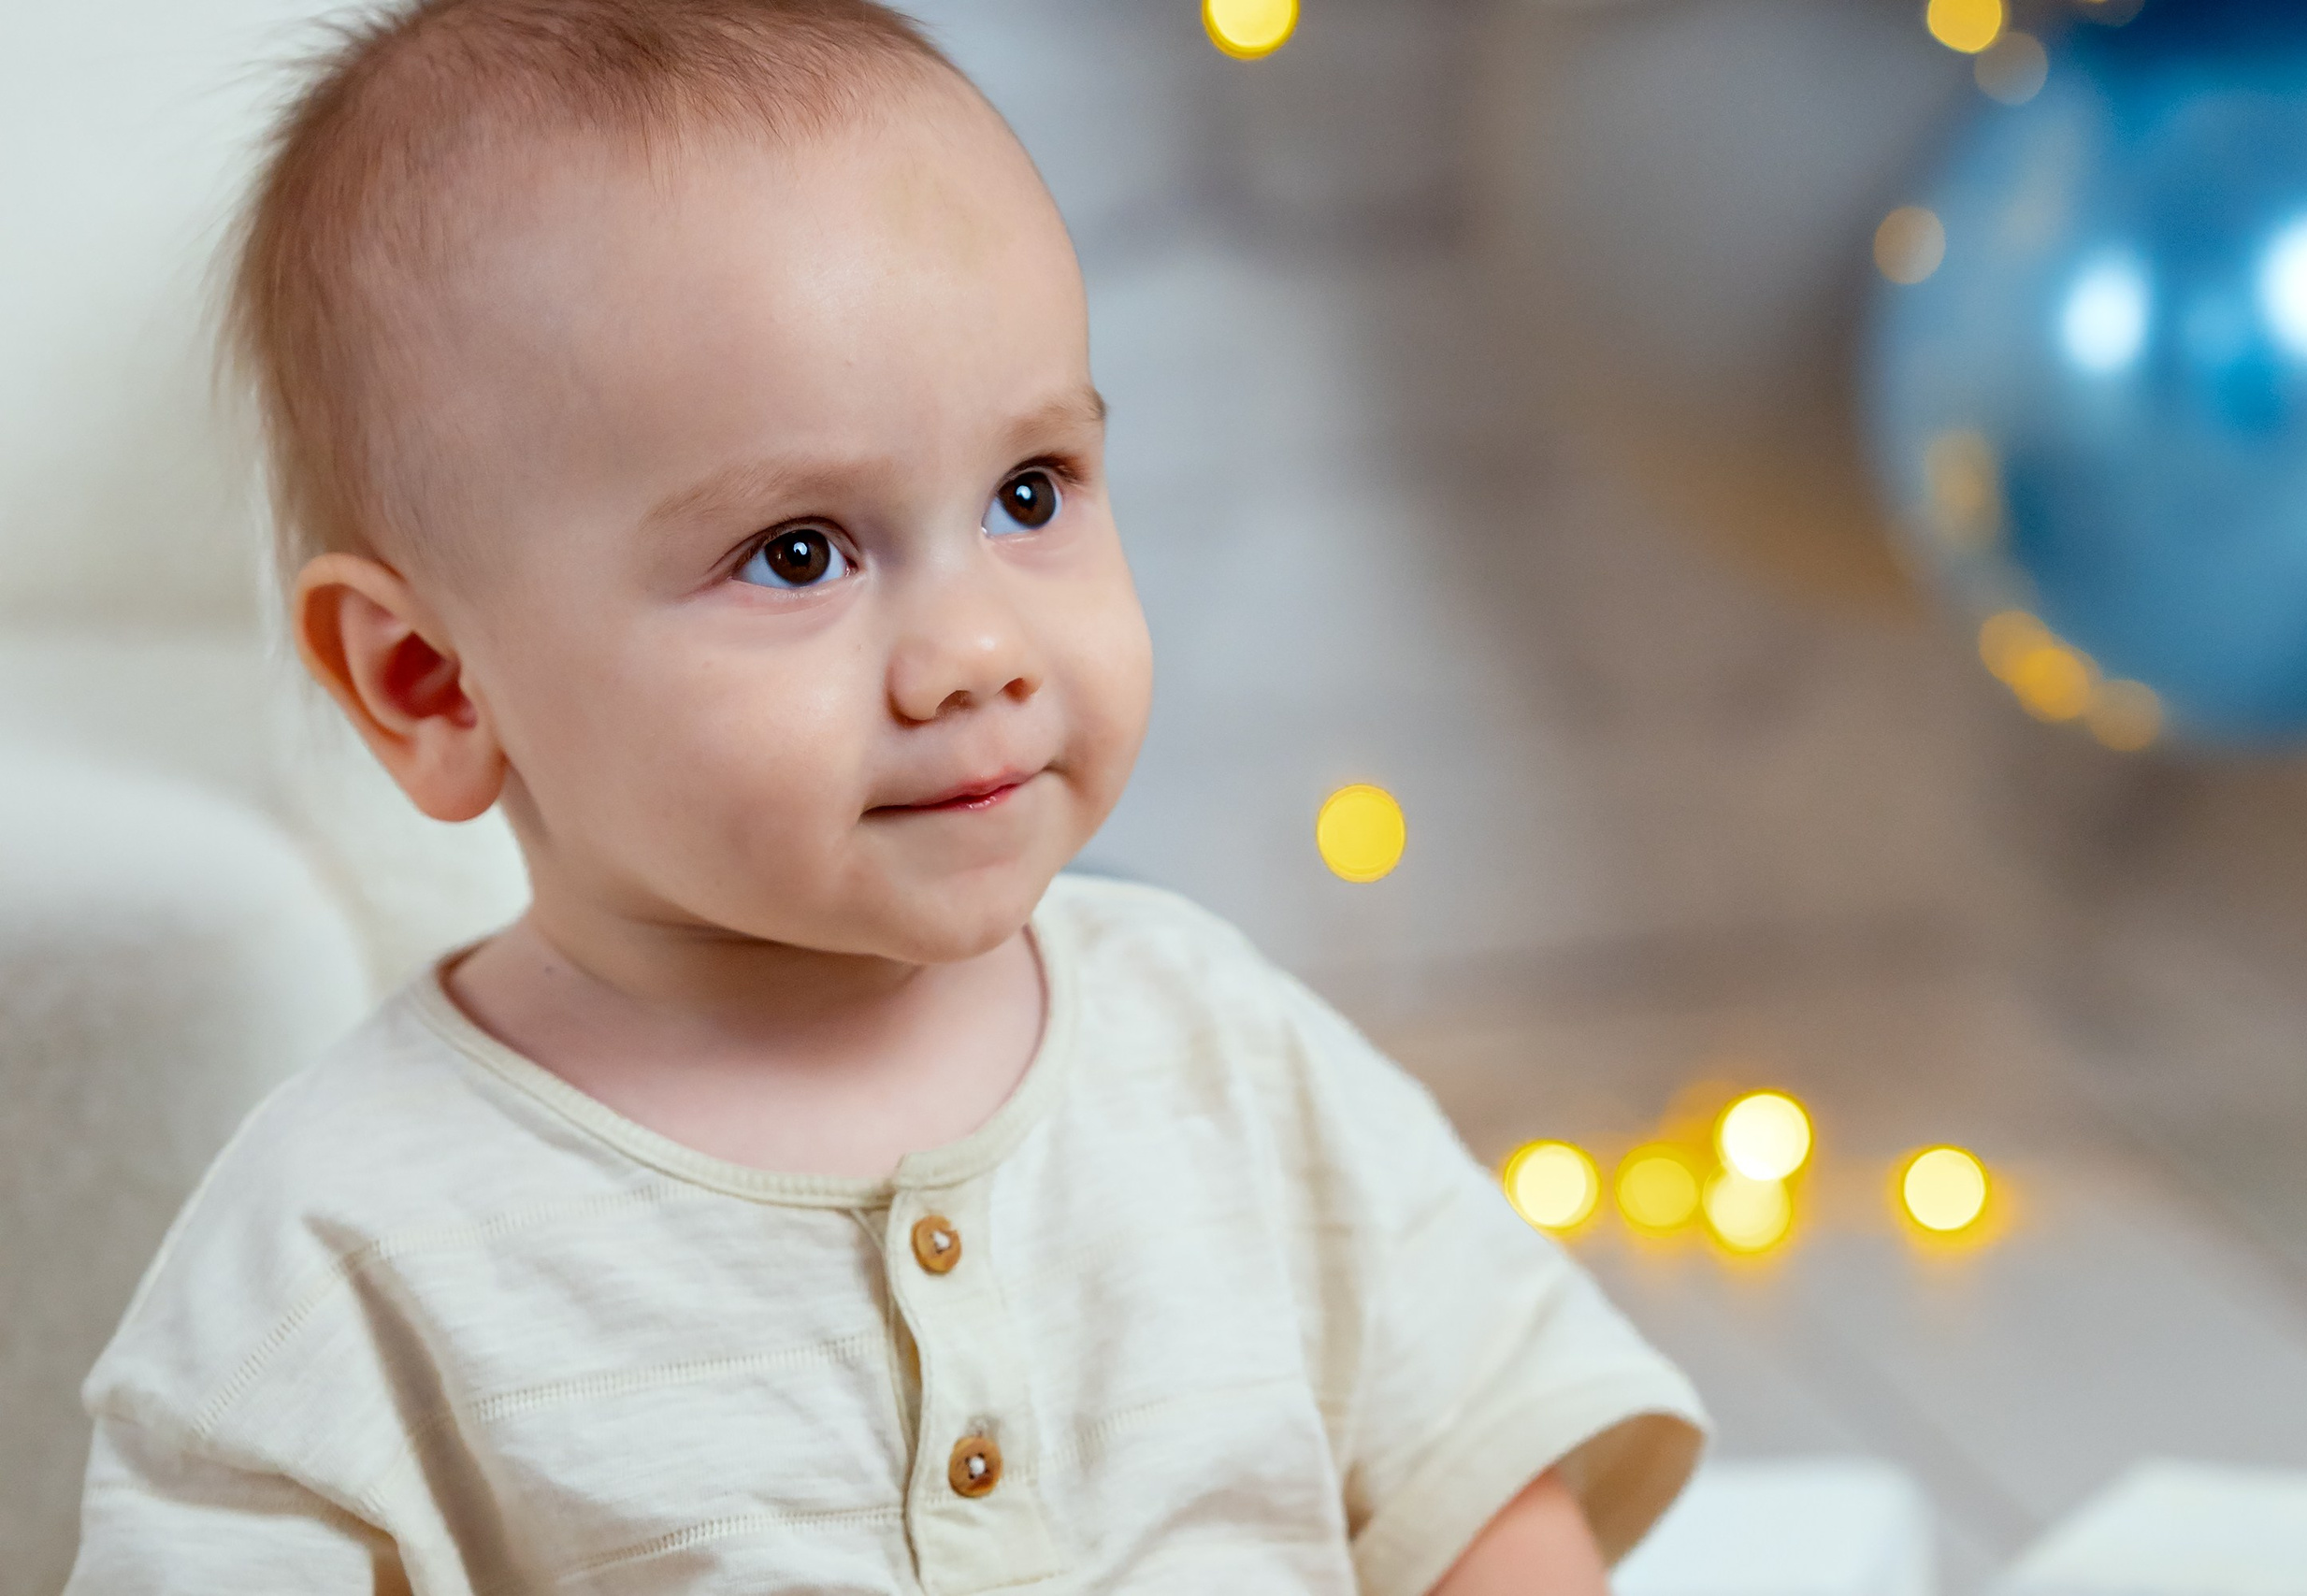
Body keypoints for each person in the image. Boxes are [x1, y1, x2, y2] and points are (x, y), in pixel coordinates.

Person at [65, 3, 1705, 1590]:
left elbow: (1481, 1495)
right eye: (797, 553)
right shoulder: (338, 1256)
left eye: (1028, 490)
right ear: (431, 682)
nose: (977, 649)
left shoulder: (1220, 1053)